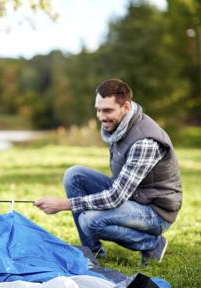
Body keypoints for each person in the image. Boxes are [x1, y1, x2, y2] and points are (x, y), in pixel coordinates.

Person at [34, 79, 182, 265]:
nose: (101, 116)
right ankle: (92, 252)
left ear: (126, 107)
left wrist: (64, 204)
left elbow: (116, 197)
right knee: (75, 175)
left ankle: (152, 244)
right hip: (135, 195)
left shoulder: (145, 141)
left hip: (156, 210)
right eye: (98, 109)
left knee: (90, 220)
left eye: (107, 110)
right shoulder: (120, 126)